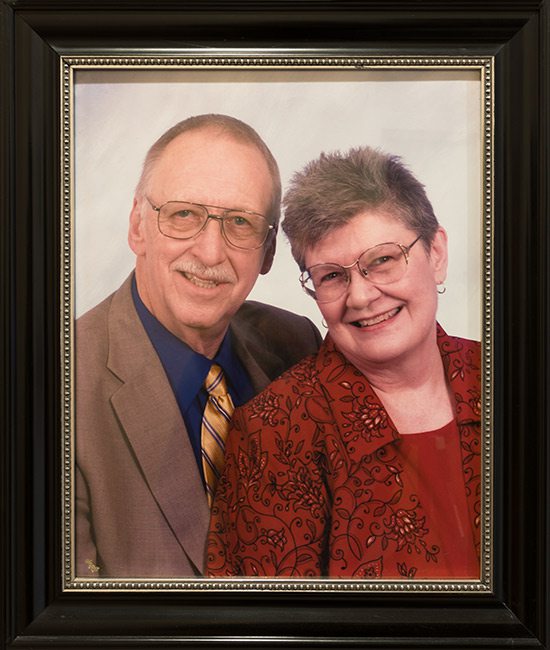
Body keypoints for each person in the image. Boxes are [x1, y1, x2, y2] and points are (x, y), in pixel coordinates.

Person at [207, 146, 481, 579]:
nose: (360, 296)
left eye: (383, 260)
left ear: (437, 253)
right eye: (332, 275)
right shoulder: (275, 432)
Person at [75, 114, 322, 578]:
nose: (210, 252)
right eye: (184, 214)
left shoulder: (297, 346)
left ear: (268, 252)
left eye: (241, 223)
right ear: (137, 227)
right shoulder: (52, 386)